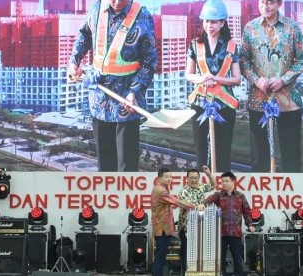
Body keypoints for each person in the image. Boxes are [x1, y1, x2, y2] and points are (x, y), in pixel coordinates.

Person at [68, 0, 158, 172]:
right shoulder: (96, 8)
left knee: (126, 166)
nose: (116, 2)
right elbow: (84, 34)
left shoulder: (143, 16)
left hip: (127, 102)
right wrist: (74, 61)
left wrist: (135, 91)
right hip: (99, 100)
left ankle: (126, 199)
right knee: (105, 165)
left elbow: (149, 62)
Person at [240, 0, 303, 172]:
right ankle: (261, 197)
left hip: (288, 101)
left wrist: (283, 80)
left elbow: (301, 60)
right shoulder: (250, 28)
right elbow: (243, 61)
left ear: (279, 4)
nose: (265, 6)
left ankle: (292, 195)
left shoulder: (292, 28)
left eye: (270, 2)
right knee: (259, 157)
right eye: (262, 2)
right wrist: (256, 80)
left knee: (291, 156)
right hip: (259, 101)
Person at [185, 0, 242, 172]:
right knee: (202, 154)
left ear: (222, 22)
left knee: (223, 153)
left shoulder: (231, 47)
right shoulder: (195, 45)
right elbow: (189, 74)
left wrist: (216, 78)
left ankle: (223, 195)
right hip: (200, 106)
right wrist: (203, 79)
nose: (209, 25)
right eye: (207, 21)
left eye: (214, 21)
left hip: (224, 106)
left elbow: (237, 79)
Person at [199, 171, 254, 275]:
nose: (223, 183)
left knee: (237, 259)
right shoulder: (218, 195)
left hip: (235, 233)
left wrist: (250, 225)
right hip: (221, 234)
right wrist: (202, 204)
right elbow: (209, 199)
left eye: (226, 181)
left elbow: (247, 212)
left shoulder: (240, 196)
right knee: (220, 259)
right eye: (222, 181)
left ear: (233, 181)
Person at [151, 168, 195, 276]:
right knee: (160, 257)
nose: (169, 179)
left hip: (164, 228)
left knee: (161, 256)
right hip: (161, 228)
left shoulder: (163, 188)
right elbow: (176, 201)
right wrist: (194, 206)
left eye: (170, 176)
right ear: (159, 178)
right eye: (166, 177)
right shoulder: (160, 190)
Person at [177, 166, 216, 276]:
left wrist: (209, 174)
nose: (194, 180)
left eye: (196, 178)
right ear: (187, 179)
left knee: (200, 252)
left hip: (200, 226)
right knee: (186, 253)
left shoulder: (201, 187)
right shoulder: (184, 191)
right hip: (186, 228)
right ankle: (186, 273)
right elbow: (183, 204)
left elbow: (214, 185)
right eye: (191, 178)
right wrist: (197, 206)